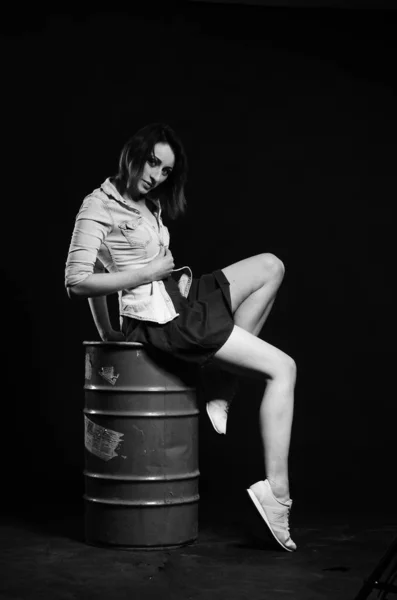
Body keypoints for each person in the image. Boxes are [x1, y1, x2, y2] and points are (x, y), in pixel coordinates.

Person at [65, 123, 297, 552]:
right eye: (153, 162)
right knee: (284, 368)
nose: (157, 176)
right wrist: (119, 316)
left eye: (166, 171)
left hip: (178, 300)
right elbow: (79, 279)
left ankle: (221, 380)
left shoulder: (148, 204)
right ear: (132, 153)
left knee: (271, 266)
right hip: (161, 321)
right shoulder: (97, 206)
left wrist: (161, 282)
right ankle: (277, 497)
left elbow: (107, 266)